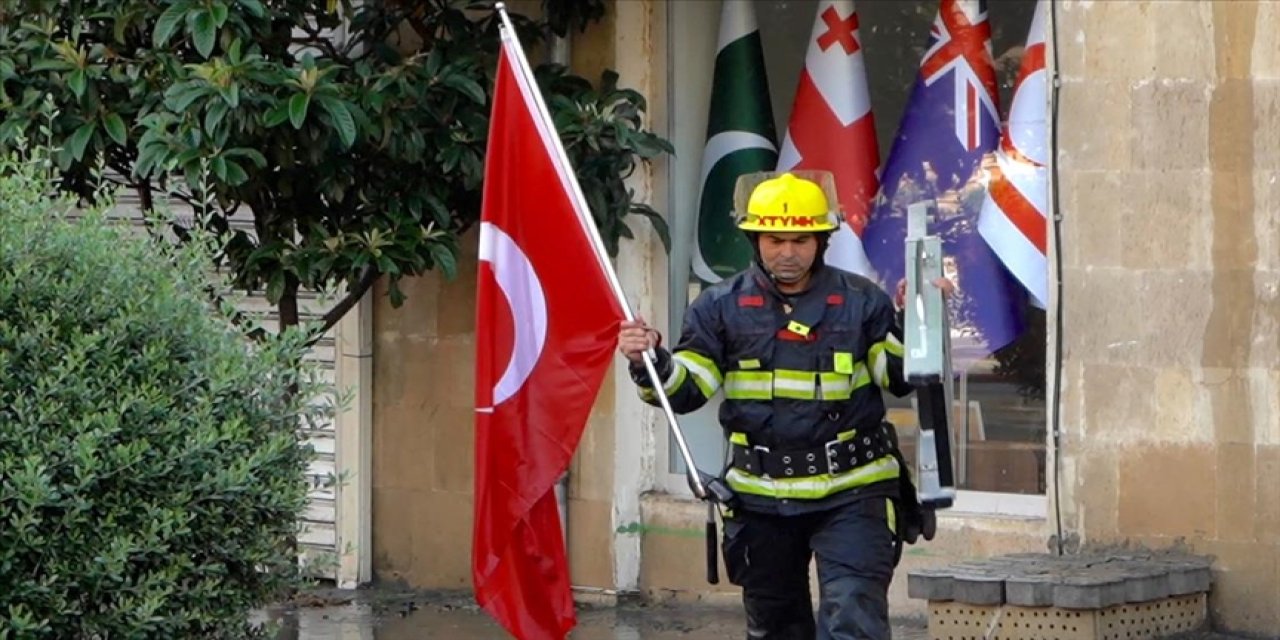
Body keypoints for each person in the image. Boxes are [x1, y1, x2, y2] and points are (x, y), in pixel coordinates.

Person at [618, 171, 950, 640]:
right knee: (776, 628)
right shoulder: (719, 307)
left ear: (822, 240)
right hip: (760, 498)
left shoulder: (860, 301)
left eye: (801, 240)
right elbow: (688, 390)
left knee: (852, 619)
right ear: (755, 239)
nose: (788, 252)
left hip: (854, 492)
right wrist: (649, 358)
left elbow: (895, 377)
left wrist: (915, 321)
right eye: (775, 240)